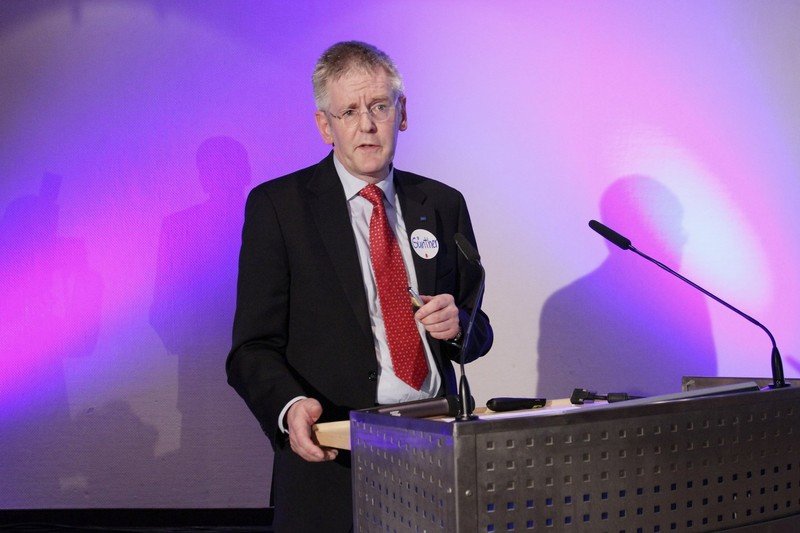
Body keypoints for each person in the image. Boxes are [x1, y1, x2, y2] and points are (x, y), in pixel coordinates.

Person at [226, 41, 493, 532]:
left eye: (379, 107)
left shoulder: (442, 203)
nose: (366, 125)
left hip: (435, 449)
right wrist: (290, 407)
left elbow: (477, 329)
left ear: (402, 113)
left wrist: (458, 325)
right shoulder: (280, 208)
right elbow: (251, 349)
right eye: (349, 111)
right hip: (335, 456)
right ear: (325, 126)